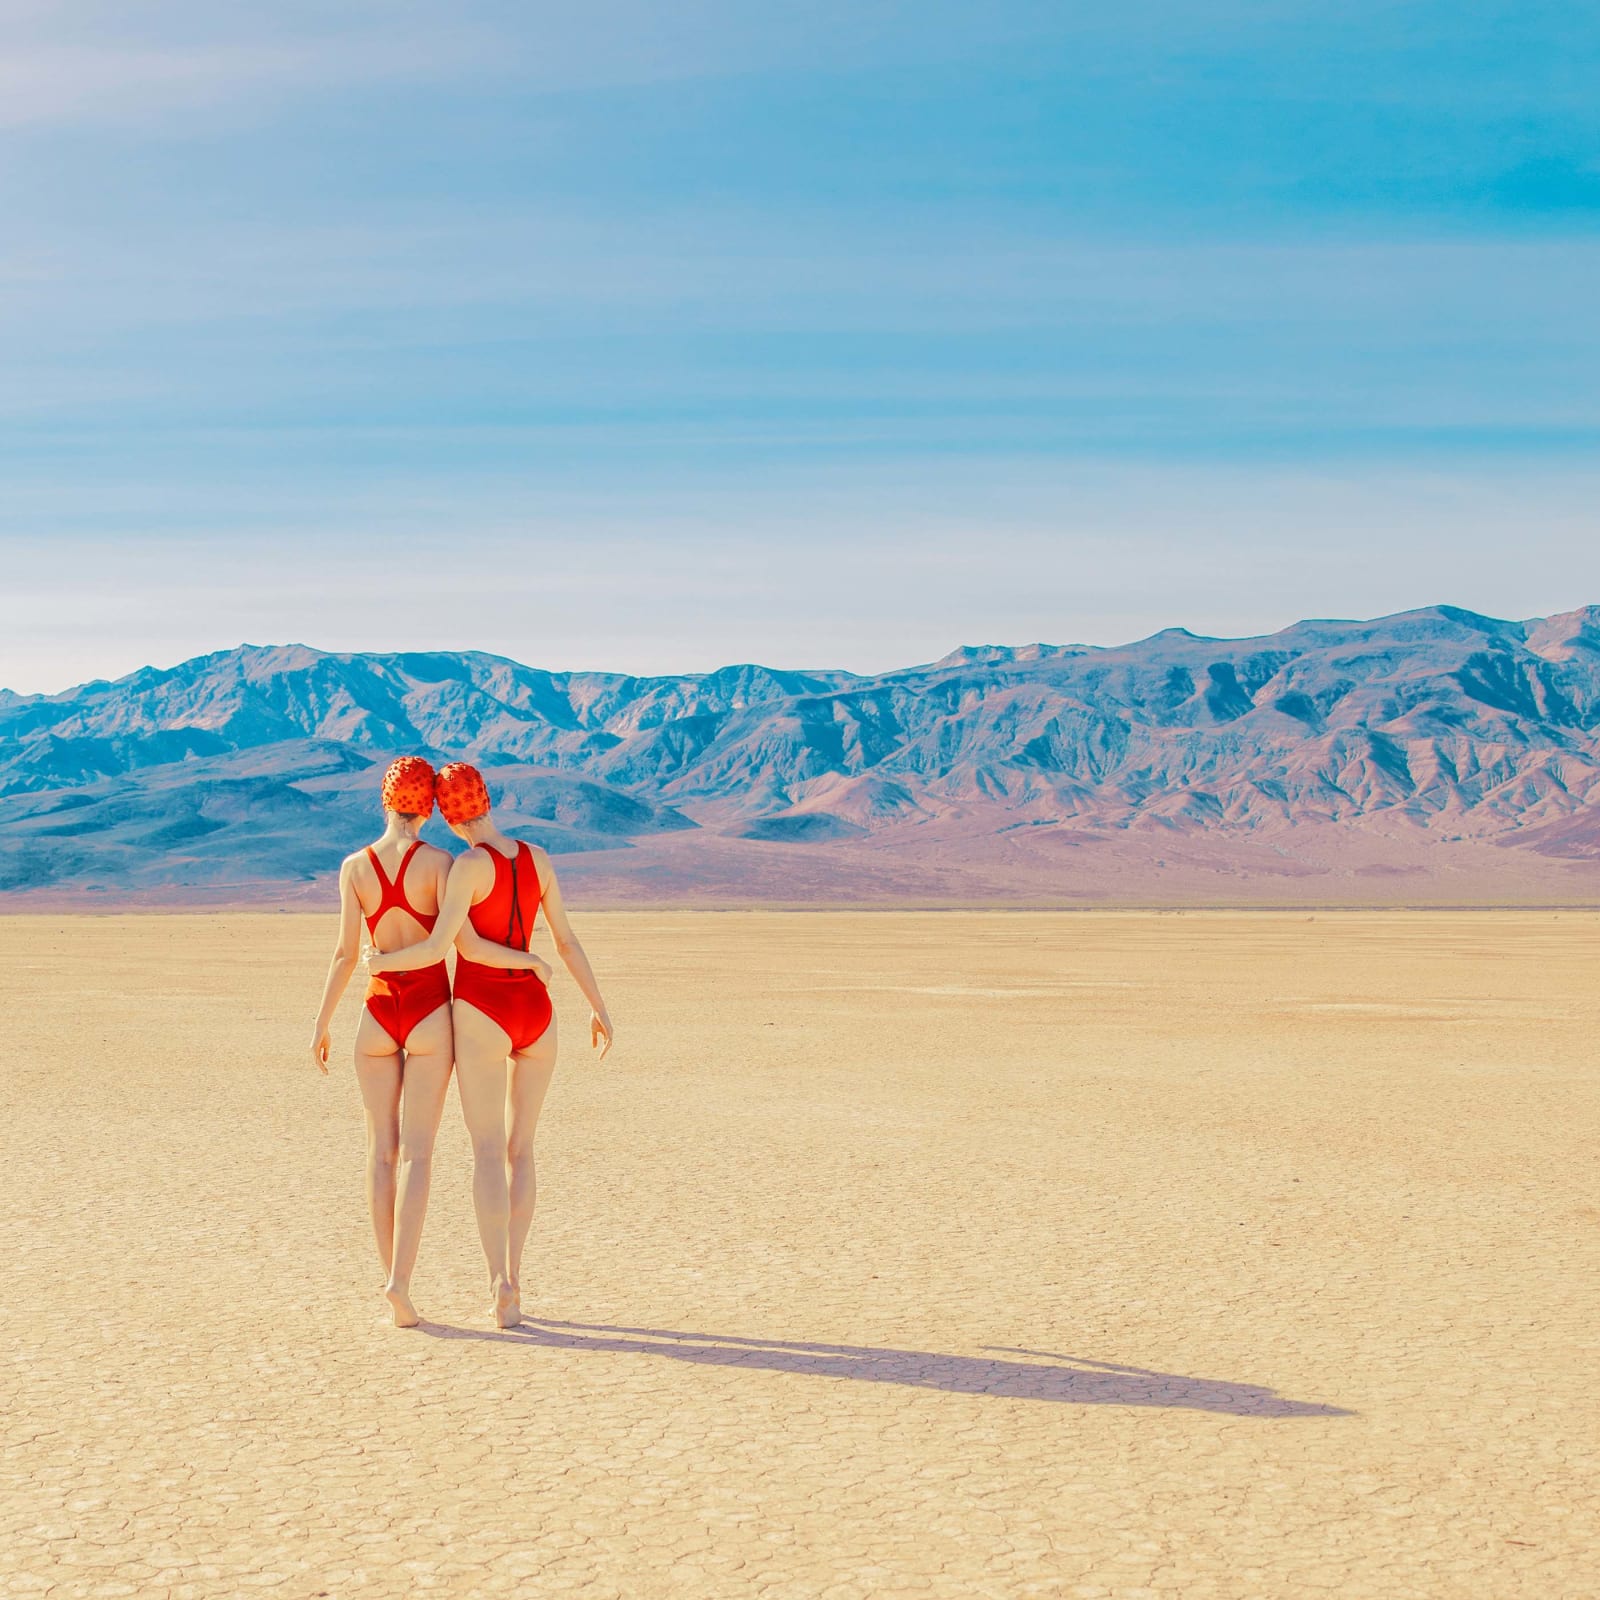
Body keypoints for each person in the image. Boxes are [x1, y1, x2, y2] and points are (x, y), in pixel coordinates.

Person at [367, 761, 614, 1329]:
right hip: (538, 1013)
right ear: (486, 800)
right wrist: (597, 1006)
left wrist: (379, 964)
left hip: (482, 1011)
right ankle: (515, 1283)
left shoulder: (466, 868)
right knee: (521, 1150)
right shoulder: (538, 857)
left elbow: (459, 948)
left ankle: (498, 1284)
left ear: (446, 814)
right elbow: (568, 940)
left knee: (486, 1151)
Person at [308, 755, 522, 1328]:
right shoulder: (442, 863)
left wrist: (322, 1024)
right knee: (417, 1155)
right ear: (429, 806)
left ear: (384, 801)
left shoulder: (354, 867)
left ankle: (392, 1286)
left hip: (376, 1013)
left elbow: (346, 954)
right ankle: (400, 1283)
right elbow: (458, 942)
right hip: (429, 1012)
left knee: (380, 1152)